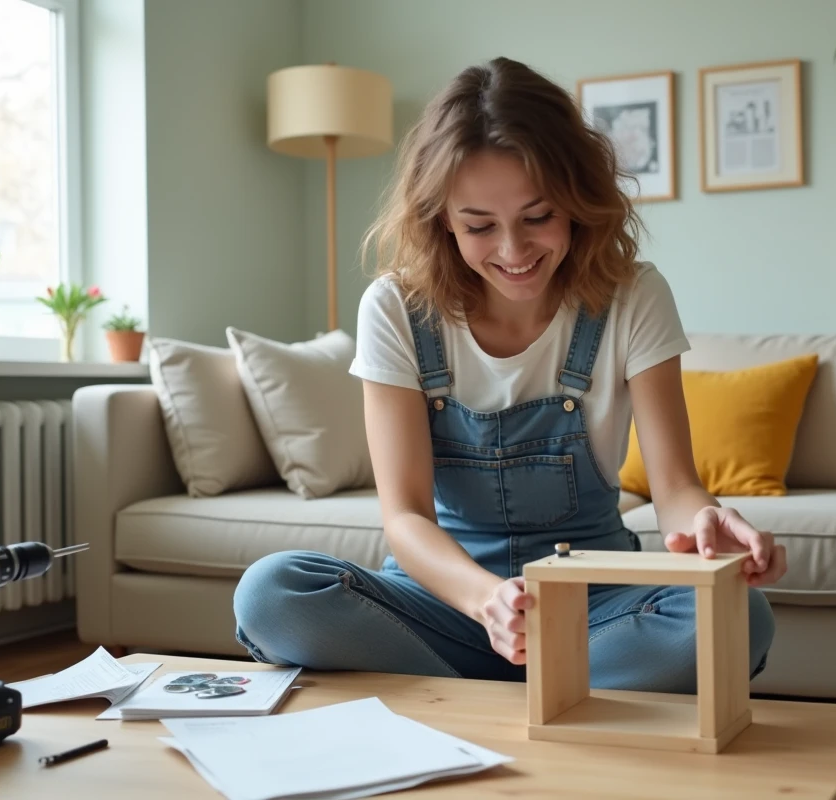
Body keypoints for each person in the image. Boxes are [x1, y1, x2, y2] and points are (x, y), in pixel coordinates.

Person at [233, 57, 786, 693]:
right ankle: (558, 694)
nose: (514, 252)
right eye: (479, 226)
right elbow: (406, 518)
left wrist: (710, 525)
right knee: (272, 592)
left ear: (578, 202)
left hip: (594, 607)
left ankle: (471, 698)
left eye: (538, 217)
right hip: (442, 605)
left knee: (738, 616)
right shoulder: (396, 308)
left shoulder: (633, 296)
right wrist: (487, 602)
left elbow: (676, 490)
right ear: (442, 216)